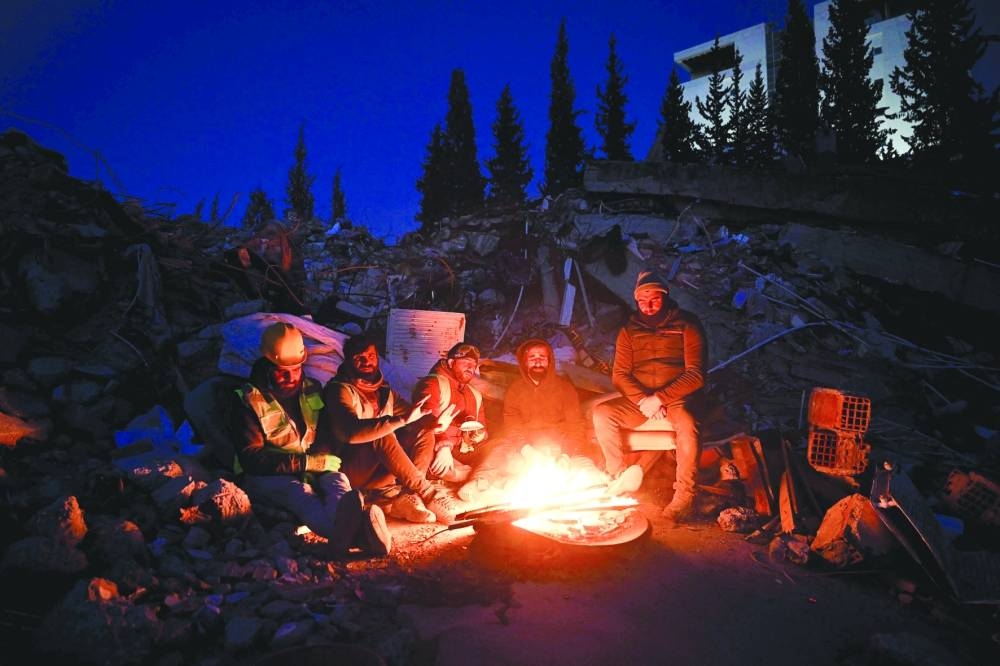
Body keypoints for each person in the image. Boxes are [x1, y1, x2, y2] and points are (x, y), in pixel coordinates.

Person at [231, 322, 391, 556]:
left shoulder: (312, 388)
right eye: (282, 370)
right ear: (267, 365)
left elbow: (326, 432)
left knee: (339, 485)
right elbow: (251, 458)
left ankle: (348, 538)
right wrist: (305, 464)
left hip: (311, 465)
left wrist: (320, 461)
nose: (290, 376)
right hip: (267, 475)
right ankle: (363, 536)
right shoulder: (247, 399)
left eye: (296, 369)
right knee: (302, 495)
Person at [592, 270, 706, 525]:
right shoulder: (629, 330)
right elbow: (620, 375)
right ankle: (618, 477)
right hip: (641, 400)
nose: (648, 306)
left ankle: (684, 496)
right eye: (642, 301)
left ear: (665, 297)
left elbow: (696, 375)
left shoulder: (687, 325)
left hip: (677, 399)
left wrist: (661, 399)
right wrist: (644, 399)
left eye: (654, 299)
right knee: (602, 413)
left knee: (687, 424)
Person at [319, 334, 461, 525]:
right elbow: (350, 432)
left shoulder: (384, 391)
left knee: (423, 433)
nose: (366, 362)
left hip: (377, 471)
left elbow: (414, 415)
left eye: (371, 356)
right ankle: (427, 493)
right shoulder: (339, 390)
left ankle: (407, 497)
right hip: (349, 468)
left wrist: (434, 423)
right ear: (348, 360)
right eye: (359, 358)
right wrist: (400, 420)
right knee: (384, 434)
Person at [458, 337, 591, 502]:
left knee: (580, 467)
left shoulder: (565, 389)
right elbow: (512, 426)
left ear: (549, 361)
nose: (538, 362)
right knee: (499, 449)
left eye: (542, 357)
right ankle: (479, 482)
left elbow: (575, 426)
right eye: (532, 358)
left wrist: (565, 454)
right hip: (525, 448)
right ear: (524, 362)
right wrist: (526, 449)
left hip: (556, 446)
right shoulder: (516, 390)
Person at [411, 342, 489, 486]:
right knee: (442, 467)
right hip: (436, 448)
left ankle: (475, 476)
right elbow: (424, 419)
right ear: (451, 362)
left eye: (473, 365)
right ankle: (476, 478)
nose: (470, 368)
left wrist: (479, 434)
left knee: (499, 450)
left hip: (464, 449)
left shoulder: (475, 394)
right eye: (466, 363)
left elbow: (482, 427)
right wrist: (444, 446)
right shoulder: (433, 383)